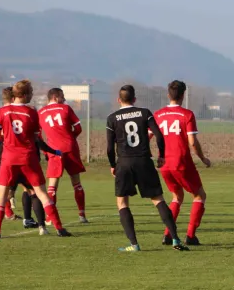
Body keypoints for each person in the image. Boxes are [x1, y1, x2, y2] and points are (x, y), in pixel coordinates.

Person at [106, 84, 189, 252]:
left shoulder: (112, 118)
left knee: (122, 202)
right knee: (158, 199)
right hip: (144, 161)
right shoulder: (145, 113)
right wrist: (161, 155)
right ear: (134, 99)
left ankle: (134, 244)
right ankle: (175, 239)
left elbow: (109, 147)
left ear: (118, 100)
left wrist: (113, 165)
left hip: (124, 162)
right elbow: (158, 135)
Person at [0, 79, 72, 238]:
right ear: (24, 94)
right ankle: (59, 228)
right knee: (41, 193)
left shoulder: (1, 112)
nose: (32, 95)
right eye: (31, 92)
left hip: (8, 159)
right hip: (28, 158)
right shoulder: (32, 112)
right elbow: (35, 138)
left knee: (1, 195)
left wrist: (9, 137)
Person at [0, 87, 47, 234]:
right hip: (21, 159)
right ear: (15, 97)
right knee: (33, 191)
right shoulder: (19, 113)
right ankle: (41, 226)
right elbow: (35, 138)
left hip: (6, 161)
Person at [152, 80, 211, 245]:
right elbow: (192, 142)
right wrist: (203, 158)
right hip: (181, 163)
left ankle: (168, 234)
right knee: (199, 195)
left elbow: (147, 137)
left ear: (168, 94)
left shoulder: (158, 114)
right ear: (183, 95)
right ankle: (190, 236)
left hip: (164, 165)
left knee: (176, 196)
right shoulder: (187, 114)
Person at [38, 88, 88, 224]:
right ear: (55, 97)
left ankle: (49, 218)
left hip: (54, 151)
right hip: (70, 148)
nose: (64, 99)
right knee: (76, 183)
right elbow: (78, 128)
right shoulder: (66, 108)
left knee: (52, 186)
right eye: (62, 97)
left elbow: (38, 136)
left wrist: (45, 151)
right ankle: (82, 215)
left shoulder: (40, 112)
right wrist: (71, 138)